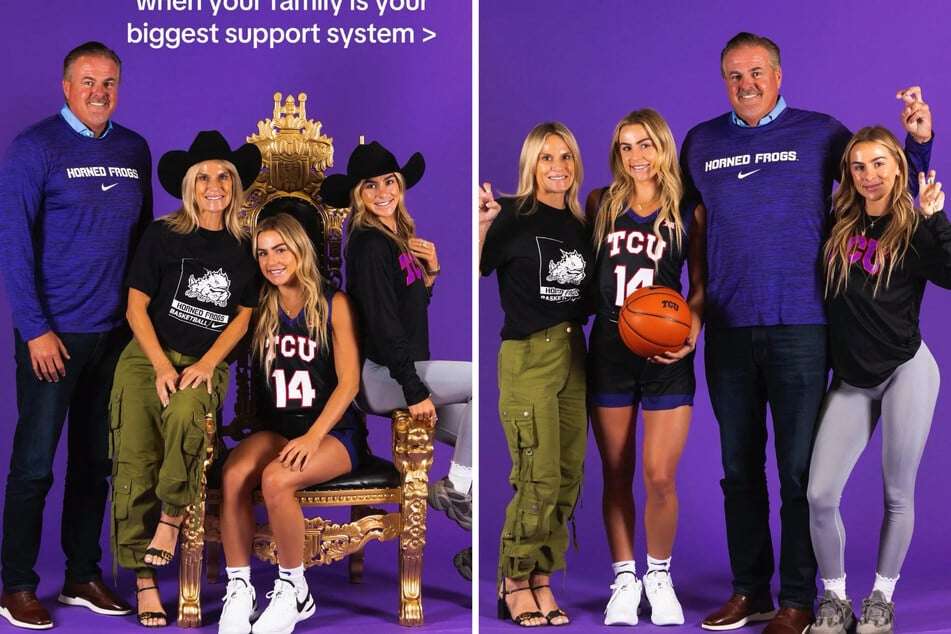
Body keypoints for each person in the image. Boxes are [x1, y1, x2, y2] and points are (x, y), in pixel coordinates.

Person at [679, 32, 933, 634]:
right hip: (729, 327)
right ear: (724, 82)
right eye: (735, 75)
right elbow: (686, 222)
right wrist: (690, 301)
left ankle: (798, 598)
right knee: (738, 470)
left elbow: (884, 179)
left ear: (778, 75)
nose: (747, 84)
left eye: (757, 72)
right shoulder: (700, 142)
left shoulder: (822, 133)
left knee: (798, 473)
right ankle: (751, 591)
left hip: (802, 324)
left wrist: (918, 144)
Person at [0, 41, 151, 630]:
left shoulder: (133, 148)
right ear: (66, 86)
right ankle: (15, 584)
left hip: (114, 337)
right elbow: (13, 246)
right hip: (53, 338)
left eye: (109, 82)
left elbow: (143, 247)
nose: (99, 93)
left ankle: (82, 574)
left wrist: (142, 327)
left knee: (96, 460)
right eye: (88, 81)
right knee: (35, 463)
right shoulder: (33, 148)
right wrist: (35, 330)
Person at [110, 130, 260, 627]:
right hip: (147, 353)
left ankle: (171, 519)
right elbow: (135, 307)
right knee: (134, 455)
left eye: (223, 176)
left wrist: (206, 364)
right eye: (203, 178)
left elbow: (242, 316)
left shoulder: (245, 244)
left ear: (234, 184)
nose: (213, 185)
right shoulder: (163, 233)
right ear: (189, 186)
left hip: (205, 359)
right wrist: (159, 366)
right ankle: (144, 581)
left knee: (185, 416)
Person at [806, 127, 949, 634]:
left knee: (897, 493)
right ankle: (836, 598)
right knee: (819, 495)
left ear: (897, 167)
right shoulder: (838, 225)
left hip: (906, 368)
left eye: (880, 164)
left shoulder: (913, 227)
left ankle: (881, 599)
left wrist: (934, 219)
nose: (869, 176)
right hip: (852, 378)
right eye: (859, 166)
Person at [322, 141, 474, 577]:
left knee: (476, 428)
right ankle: (456, 488)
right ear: (358, 194)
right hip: (383, 375)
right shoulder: (369, 244)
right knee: (483, 380)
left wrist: (431, 276)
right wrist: (414, 390)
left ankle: (474, 546)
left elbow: (405, 315)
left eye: (389, 181)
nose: (383, 191)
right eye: (370, 185)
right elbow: (384, 328)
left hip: (403, 369)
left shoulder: (395, 239)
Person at [216, 211, 365, 634]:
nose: (271, 260)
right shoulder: (259, 304)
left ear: (300, 249)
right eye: (262, 252)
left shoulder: (333, 302)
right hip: (276, 425)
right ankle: (240, 588)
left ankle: (294, 589)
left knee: (277, 479)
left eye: (280, 249)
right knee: (234, 475)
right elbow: (220, 343)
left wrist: (314, 437)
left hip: (333, 431)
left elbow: (350, 382)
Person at [586, 109, 705, 626]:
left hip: (665, 357)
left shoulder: (687, 209)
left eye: (645, 145)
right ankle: (623, 579)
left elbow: (699, 285)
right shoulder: (599, 204)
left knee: (659, 478)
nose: (636, 157)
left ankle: (659, 576)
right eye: (626, 147)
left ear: (662, 148)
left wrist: (692, 331)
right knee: (616, 473)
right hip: (610, 351)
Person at [479, 122, 593, 627]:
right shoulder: (511, 215)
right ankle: (513, 578)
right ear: (531, 164)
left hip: (575, 351)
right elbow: (479, 265)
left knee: (568, 475)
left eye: (566, 157)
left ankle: (544, 576)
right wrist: (482, 226)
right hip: (528, 355)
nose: (558, 167)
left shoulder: (580, 223)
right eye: (547, 158)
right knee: (537, 475)